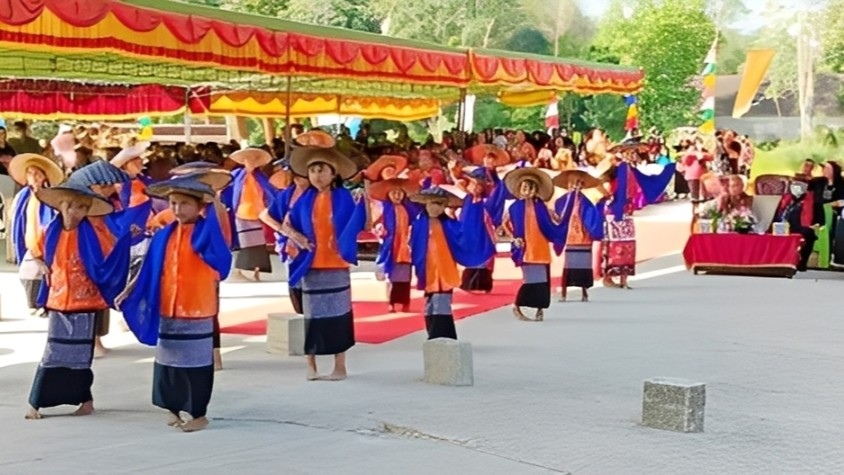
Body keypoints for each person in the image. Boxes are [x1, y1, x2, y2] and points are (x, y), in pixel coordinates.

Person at [118, 176, 230, 432]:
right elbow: (151, 269)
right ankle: (171, 407)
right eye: (173, 203)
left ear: (199, 206)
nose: (178, 209)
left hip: (197, 307)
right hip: (168, 305)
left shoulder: (208, 233)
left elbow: (222, 266)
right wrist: (132, 290)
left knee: (197, 365)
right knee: (168, 362)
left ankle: (199, 414)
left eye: (184, 204)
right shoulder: (164, 234)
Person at [25, 181, 130, 420]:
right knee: (53, 353)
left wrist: (127, 239)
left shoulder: (95, 232)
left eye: (82, 208)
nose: (76, 212)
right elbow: (35, 250)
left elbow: (110, 255)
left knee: (81, 357)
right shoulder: (51, 231)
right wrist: (42, 264)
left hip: (85, 301)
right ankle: (36, 403)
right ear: (61, 206)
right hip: (58, 299)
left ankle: (86, 401)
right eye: (71, 206)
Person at [281, 131, 368, 381]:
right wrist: (297, 239)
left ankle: (339, 366)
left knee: (339, 316)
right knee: (313, 317)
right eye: (313, 170)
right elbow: (287, 225)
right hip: (311, 265)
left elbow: (358, 222)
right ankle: (311, 365)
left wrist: (364, 202)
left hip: (336, 264)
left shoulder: (346, 198)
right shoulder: (302, 201)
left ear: (333, 173)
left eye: (322, 170)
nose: (317, 175)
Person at [409, 187, 494, 339]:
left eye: (440, 204)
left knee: (441, 302)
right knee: (430, 303)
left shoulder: (449, 224)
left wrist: (474, 205)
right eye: (432, 203)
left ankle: (441, 334)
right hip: (427, 270)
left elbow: (467, 231)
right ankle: (433, 332)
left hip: (444, 269)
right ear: (425, 204)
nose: (435, 207)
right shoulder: (418, 225)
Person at [8, 154, 64, 317]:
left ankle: (45, 304)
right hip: (30, 241)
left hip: (48, 241)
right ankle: (35, 303)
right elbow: (17, 219)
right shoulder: (23, 196)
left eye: (38, 172)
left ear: (45, 175)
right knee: (28, 271)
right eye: (30, 173)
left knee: (49, 273)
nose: (34, 176)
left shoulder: (53, 195)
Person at [502, 167, 560, 321]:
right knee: (531, 280)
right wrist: (514, 238)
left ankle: (539, 309)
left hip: (541, 246)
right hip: (526, 247)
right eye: (525, 187)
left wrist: (558, 222)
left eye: (532, 187)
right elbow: (506, 225)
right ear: (520, 189)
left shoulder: (541, 207)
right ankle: (519, 305)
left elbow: (549, 224)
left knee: (542, 280)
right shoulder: (515, 207)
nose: (528, 191)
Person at [259, 170, 311, 315]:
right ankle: (300, 314)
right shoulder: (287, 194)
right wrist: (287, 232)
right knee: (295, 282)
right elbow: (265, 215)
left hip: (312, 245)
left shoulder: (316, 193)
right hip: (291, 246)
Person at [369, 178, 421, 312]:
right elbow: (375, 223)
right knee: (391, 277)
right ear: (388, 194)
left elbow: (417, 219)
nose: (397, 195)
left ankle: (405, 303)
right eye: (394, 193)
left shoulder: (409, 208)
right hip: (391, 246)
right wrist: (380, 228)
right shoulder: (383, 208)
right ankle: (391, 303)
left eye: (400, 192)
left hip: (405, 247)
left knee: (405, 278)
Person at [229, 148, 275, 281]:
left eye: (253, 159)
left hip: (258, 213)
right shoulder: (236, 175)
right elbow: (229, 190)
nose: (250, 161)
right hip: (241, 212)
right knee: (245, 243)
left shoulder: (261, 177)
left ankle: (256, 271)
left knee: (258, 244)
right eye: (248, 159)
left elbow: (270, 192)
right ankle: (241, 269)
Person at [554, 180, 604, 303]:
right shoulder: (563, 201)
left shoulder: (586, 202)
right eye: (572, 184)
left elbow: (592, 217)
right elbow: (560, 216)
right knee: (568, 266)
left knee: (583, 266)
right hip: (570, 237)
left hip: (584, 238)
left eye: (578, 184)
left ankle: (584, 293)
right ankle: (564, 294)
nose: (575, 186)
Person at [776, 181, 818, 272]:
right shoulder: (787, 199)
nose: (794, 188)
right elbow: (779, 214)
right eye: (793, 186)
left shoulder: (812, 199)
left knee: (809, 234)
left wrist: (815, 225)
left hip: (801, 226)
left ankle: (801, 263)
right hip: (783, 226)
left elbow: (817, 217)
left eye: (798, 186)